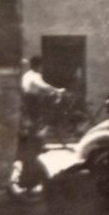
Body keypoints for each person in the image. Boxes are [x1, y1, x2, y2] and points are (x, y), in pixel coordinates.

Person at [13, 56, 64, 197]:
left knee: (34, 130)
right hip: (32, 106)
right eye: (41, 66)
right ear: (38, 66)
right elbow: (43, 86)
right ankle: (31, 179)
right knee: (35, 132)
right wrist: (57, 90)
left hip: (29, 105)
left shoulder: (27, 75)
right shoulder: (35, 76)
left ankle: (34, 146)